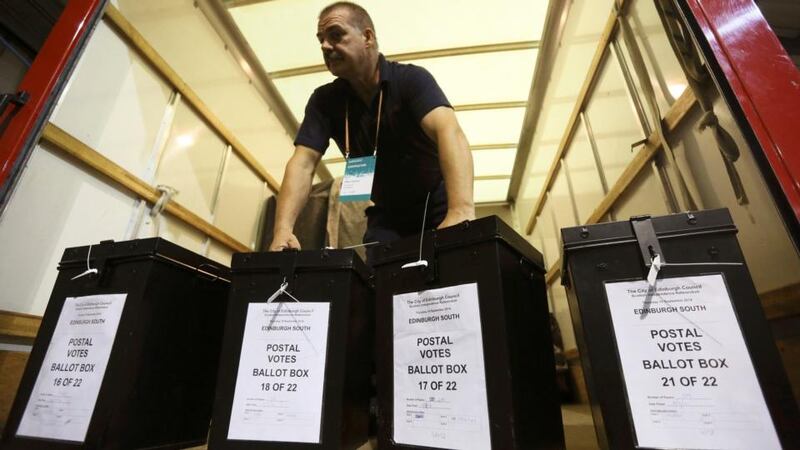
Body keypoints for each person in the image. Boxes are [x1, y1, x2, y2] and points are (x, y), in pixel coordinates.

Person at [269, 1, 474, 259]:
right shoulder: (324, 101)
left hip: (435, 204)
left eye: (335, 35)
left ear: (367, 37)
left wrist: (461, 209)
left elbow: (449, 132)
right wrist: (282, 230)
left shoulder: (411, 80)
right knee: (381, 280)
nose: (324, 46)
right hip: (386, 216)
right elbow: (302, 164)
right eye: (321, 39)